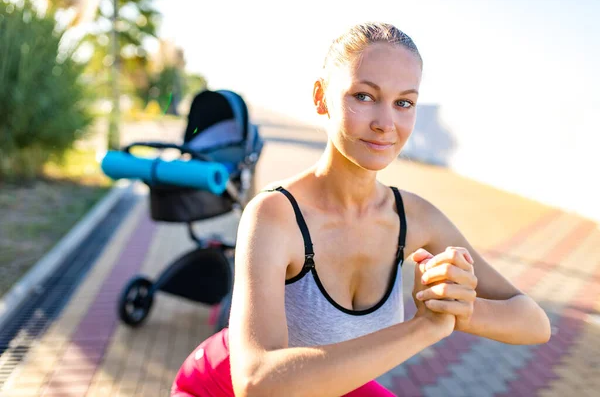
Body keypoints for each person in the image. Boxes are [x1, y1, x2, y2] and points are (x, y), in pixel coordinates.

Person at [171, 22, 551, 397]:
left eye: (404, 103)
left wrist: (455, 310)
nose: (386, 124)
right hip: (218, 387)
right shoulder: (274, 215)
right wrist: (424, 328)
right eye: (364, 96)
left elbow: (534, 322)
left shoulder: (416, 219)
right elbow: (257, 384)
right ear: (321, 97)